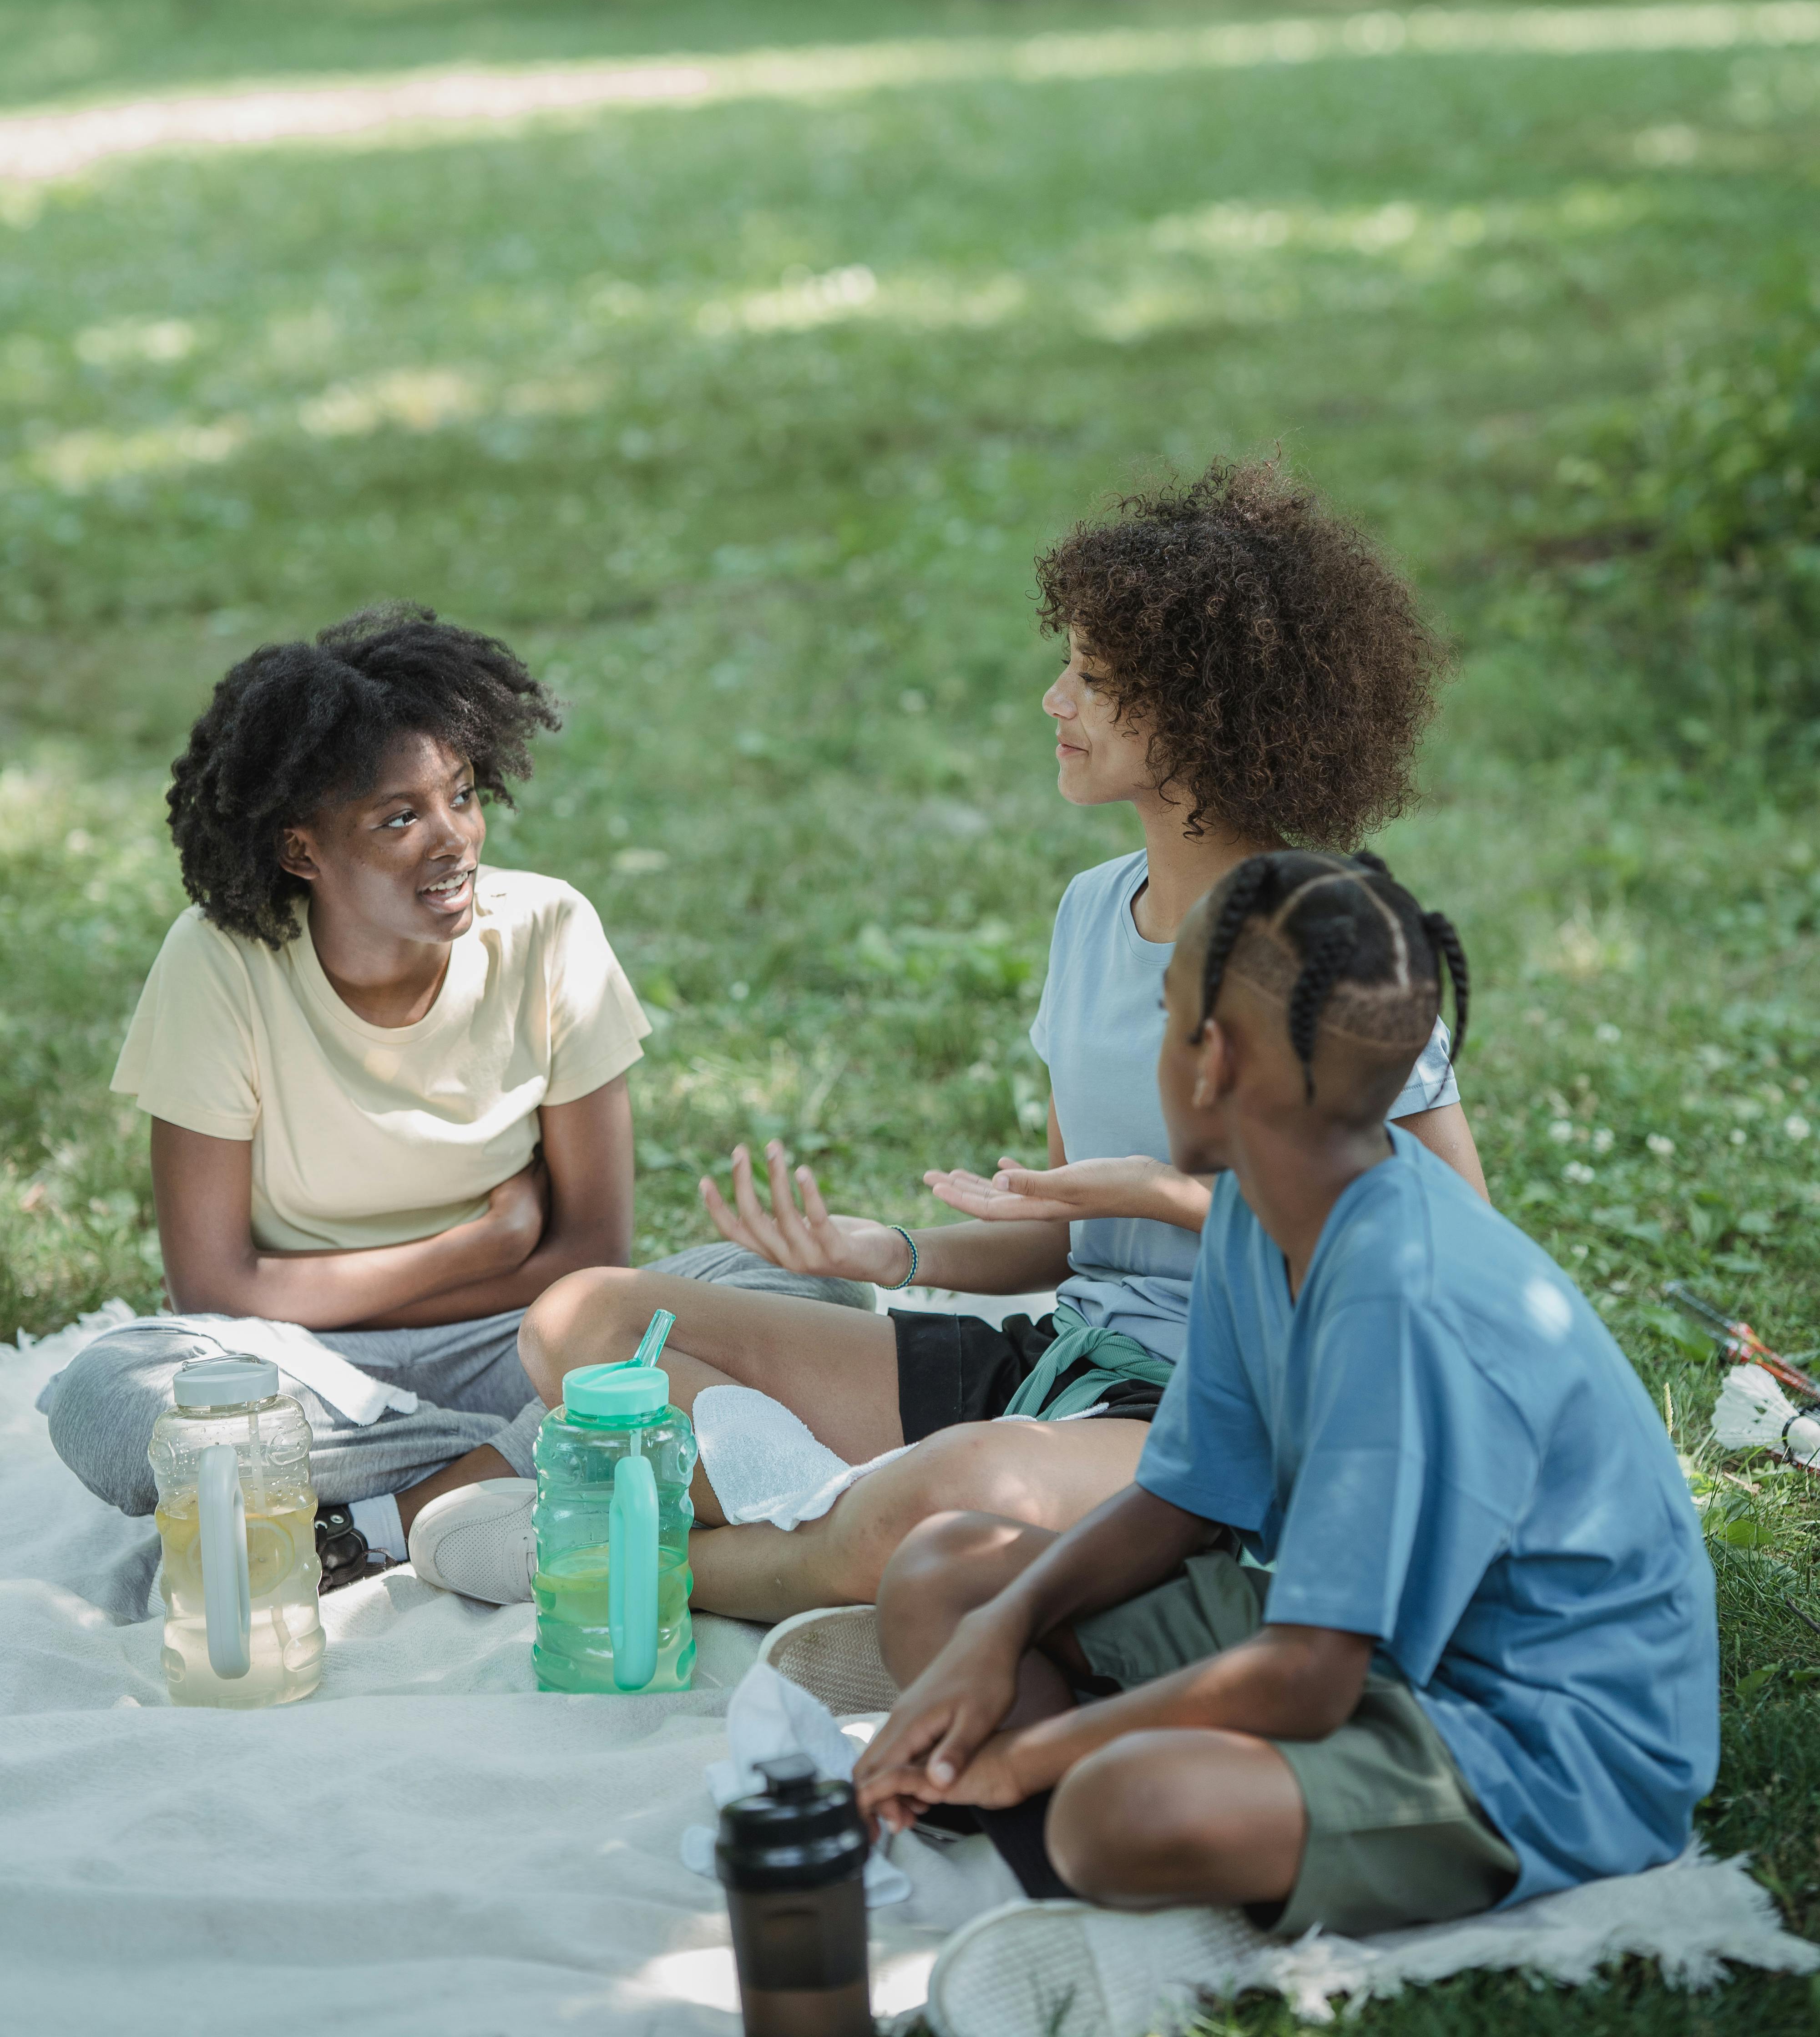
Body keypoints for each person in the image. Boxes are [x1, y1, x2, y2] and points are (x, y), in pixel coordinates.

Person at [455, 463, 1487, 1621]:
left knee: (940, 1498)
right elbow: (1066, 1240)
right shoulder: (1094, 908)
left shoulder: (1328, 941)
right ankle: (835, 1524)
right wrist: (882, 1254)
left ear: (1207, 719)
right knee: (582, 1322)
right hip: (1063, 1367)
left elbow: (1451, 1253)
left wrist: (1168, 1195)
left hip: (1238, 1405)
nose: (1053, 700)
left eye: (1091, 681)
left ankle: (645, 1566)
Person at [854, 851, 1719, 1936]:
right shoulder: (1260, 1217)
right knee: (942, 1576)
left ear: (1208, 1060)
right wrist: (1003, 1628)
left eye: (1160, 1015)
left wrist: (1026, 1755)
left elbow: (1309, 1676)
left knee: (1125, 1810)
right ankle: (1108, 1798)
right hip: (1369, 1642)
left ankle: (1069, 1816)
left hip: (1531, 1730)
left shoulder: (1400, 1295)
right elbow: (1184, 1498)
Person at [40, 604, 854, 1577]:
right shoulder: (219, 963)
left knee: (807, 1294)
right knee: (110, 1396)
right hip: (305, 1363)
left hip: (520, 1340)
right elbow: (213, 1287)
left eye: (462, 796)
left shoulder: (548, 929)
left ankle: (390, 1515)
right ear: (302, 851)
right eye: (399, 818)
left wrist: (522, 1299)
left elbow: (594, 1256)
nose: (454, 838)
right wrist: (484, 1244)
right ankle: (544, 1457)